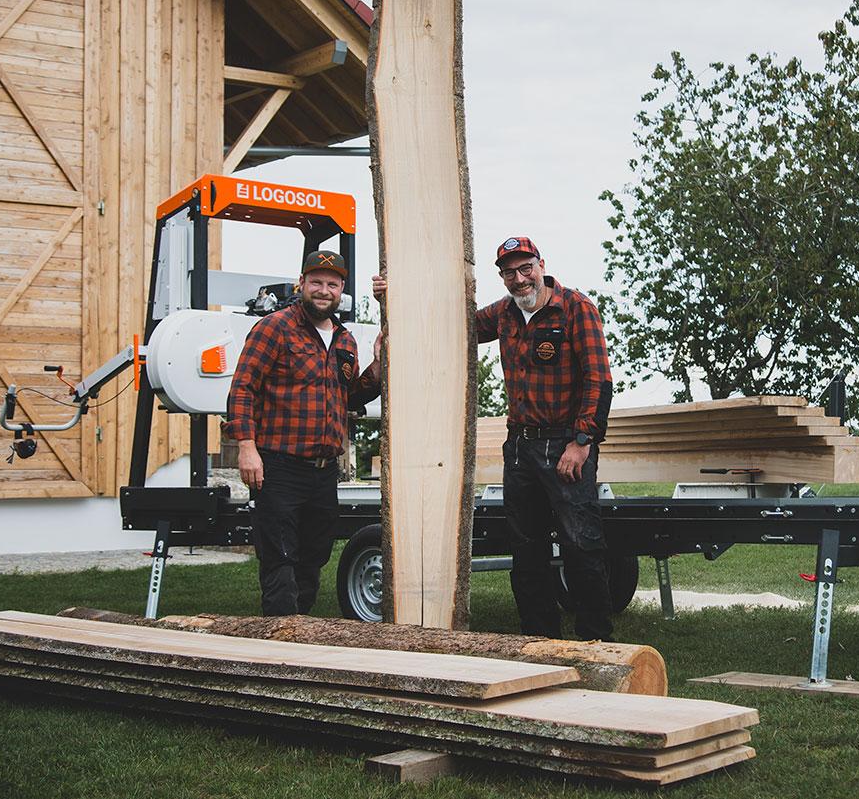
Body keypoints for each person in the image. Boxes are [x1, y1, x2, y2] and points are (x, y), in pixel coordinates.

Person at [372, 236, 614, 640]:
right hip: (519, 446)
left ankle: (598, 641)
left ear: (541, 264)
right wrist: (393, 295)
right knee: (525, 548)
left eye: (525, 269)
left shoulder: (576, 309)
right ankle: (538, 640)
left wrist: (582, 442)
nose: (519, 279)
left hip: (566, 445)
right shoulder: (503, 314)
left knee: (581, 544)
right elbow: (445, 320)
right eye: (509, 273)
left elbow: (598, 380)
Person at [227, 249, 382, 617]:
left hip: (324, 470)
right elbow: (242, 388)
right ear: (302, 284)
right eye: (316, 282)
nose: (323, 290)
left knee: (314, 556)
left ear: (341, 289)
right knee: (280, 557)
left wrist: (379, 366)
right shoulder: (274, 328)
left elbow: (352, 396)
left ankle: (300, 631)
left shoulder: (344, 340)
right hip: (279, 466)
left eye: (332, 284)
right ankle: (279, 638)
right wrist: (247, 449)